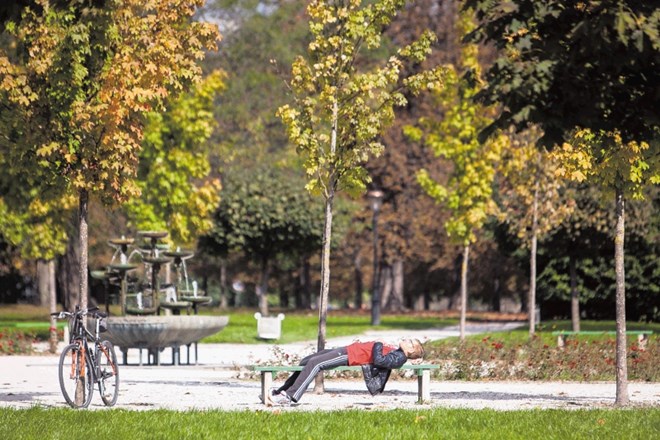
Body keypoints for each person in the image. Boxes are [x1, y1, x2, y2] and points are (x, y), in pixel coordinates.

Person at [268, 338, 425, 406]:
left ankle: (289, 397)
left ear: (410, 350)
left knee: (316, 364)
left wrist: (378, 343)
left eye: (410, 342)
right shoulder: (397, 351)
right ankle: (281, 392)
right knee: (307, 361)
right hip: (347, 350)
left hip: (350, 356)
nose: (406, 340)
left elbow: (379, 361)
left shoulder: (398, 358)